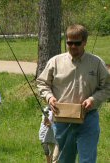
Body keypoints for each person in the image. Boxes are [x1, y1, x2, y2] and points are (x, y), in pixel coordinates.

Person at [36, 24, 110, 163]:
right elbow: (42, 83)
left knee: (87, 160)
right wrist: (49, 97)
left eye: (77, 43)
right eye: (69, 42)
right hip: (61, 119)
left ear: (85, 42)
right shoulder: (55, 62)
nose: (73, 46)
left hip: (88, 118)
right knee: (63, 159)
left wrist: (93, 99)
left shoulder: (96, 63)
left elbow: (107, 86)